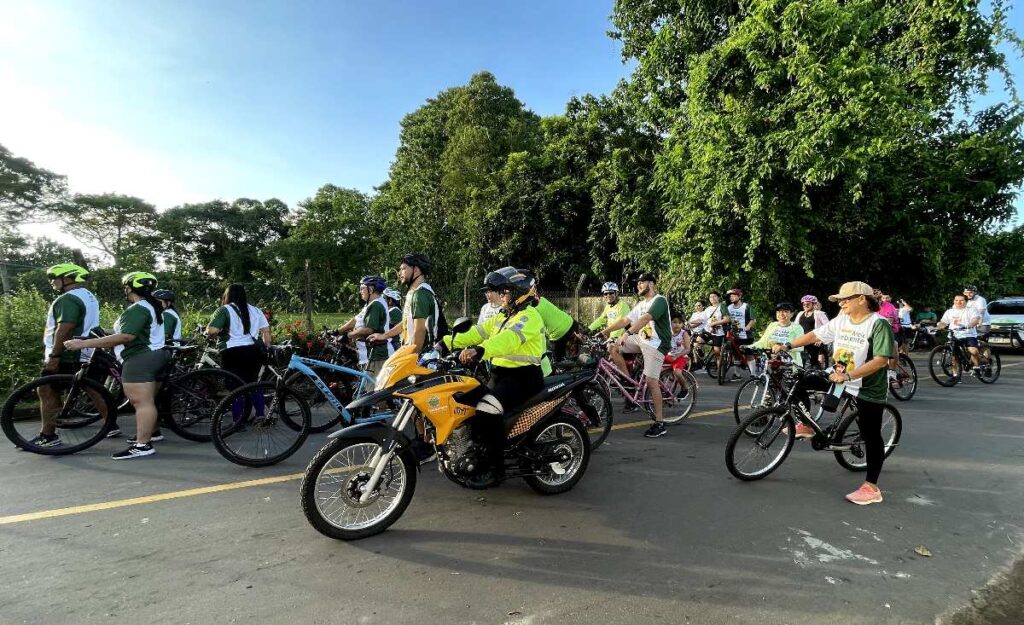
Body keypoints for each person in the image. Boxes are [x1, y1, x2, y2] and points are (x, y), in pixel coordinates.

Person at [773, 281, 895, 505]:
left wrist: (849, 376)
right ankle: (806, 425)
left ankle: (872, 487)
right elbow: (815, 335)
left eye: (845, 299)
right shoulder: (842, 320)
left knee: (871, 435)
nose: (841, 303)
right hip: (838, 376)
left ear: (862, 299)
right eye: (840, 300)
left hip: (868, 386)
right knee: (802, 381)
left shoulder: (879, 324)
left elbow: (881, 360)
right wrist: (787, 345)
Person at [443, 267, 546, 486]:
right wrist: (443, 343)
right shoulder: (501, 316)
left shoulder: (530, 317)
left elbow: (508, 340)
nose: (501, 296)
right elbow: (477, 332)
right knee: (464, 400)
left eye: (505, 292)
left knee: (487, 409)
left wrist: (480, 351)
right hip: (500, 375)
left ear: (520, 293)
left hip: (524, 378)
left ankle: (496, 466)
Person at [64, 272, 170, 459]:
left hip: (140, 358)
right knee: (148, 401)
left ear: (130, 288)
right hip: (154, 356)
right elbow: (129, 331)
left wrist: (82, 344)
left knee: (141, 402)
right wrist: (104, 333)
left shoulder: (138, 309)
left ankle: (143, 446)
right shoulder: (150, 306)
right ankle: (152, 433)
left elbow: (126, 337)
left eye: (125, 287)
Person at [29, 264, 102, 448]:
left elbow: (65, 328)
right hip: (85, 351)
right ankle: (111, 425)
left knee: (46, 389)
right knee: (92, 389)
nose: (52, 281)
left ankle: (48, 436)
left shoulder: (68, 299)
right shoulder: (88, 296)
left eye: (54, 277)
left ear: (68, 278)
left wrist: (54, 357)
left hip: (67, 353)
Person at [601, 273, 672, 438]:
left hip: (656, 344)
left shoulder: (659, 300)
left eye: (642, 283)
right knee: (613, 348)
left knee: (651, 381)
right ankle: (628, 382)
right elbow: (625, 320)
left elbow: (646, 319)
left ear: (652, 284)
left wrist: (627, 333)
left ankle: (660, 422)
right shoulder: (641, 304)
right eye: (638, 283)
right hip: (642, 340)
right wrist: (604, 331)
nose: (639, 285)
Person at [369, 253, 439, 355]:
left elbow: (420, 330)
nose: (399, 273)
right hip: (412, 350)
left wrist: (410, 359)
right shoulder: (415, 292)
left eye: (403, 269)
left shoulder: (421, 294)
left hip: (422, 355)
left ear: (416, 270)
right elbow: (407, 322)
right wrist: (384, 335)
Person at [206, 283, 271, 385]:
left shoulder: (224, 309)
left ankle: (237, 401)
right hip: (253, 351)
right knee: (251, 385)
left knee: (235, 387)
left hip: (232, 352)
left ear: (227, 295)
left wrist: (209, 335)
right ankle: (257, 401)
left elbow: (213, 331)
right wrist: (267, 348)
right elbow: (267, 334)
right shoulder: (256, 310)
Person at [348, 276, 394, 378]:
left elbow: (369, 329)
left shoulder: (376, 305)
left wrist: (350, 334)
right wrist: (339, 330)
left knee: (374, 389)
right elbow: (356, 320)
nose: (360, 292)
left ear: (371, 289)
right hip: (374, 353)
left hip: (377, 354)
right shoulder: (373, 303)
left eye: (362, 288)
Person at [937, 294, 983, 379]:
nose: (958, 302)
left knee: (974, 351)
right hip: (954, 335)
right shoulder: (949, 311)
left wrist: (969, 325)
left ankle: (976, 367)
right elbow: (943, 322)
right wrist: (939, 325)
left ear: (966, 301)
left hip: (968, 334)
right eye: (956, 300)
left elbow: (975, 320)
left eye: (961, 300)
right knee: (954, 357)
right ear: (953, 301)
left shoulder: (971, 310)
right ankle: (955, 376)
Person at [751, 302, 805, 366]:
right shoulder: (772, 325)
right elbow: (762, 342)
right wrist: (749, 347)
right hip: (770, 362)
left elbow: (801, 347)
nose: (781, 314)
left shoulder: (797, 328)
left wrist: (785, 347)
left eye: (785, 311)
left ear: (792, 314)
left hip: (790, 364)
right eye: (778, 312)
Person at [726, 288, 757, 376]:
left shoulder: (746, 306)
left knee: (749, 354)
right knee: (735, 354)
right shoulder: (729, 307)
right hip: (734, 335)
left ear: (739, 296)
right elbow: (727, 319)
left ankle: (753, 374)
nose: (731, 298)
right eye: (730, 296)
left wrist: (748, 327)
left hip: (746, 335)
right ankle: (737, 374)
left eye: (733, 296)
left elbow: (753, 319)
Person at [795, 295, 829, 368]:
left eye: (808, 304)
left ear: (813, 304)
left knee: (815, 363)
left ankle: (817, 377)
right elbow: (795, 327)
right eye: (804, 304)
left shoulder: (819, 313)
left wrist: (821, 339)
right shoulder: (800, 314)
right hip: (803, 341)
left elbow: (828, 327)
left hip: (814, 341)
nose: (805, 305)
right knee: (801, 362)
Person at [704, 291, 730, 361]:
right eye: (710, 297)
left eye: (714, 296)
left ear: (718, 298)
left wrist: (714, 323)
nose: (712, 298)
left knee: (717, 352)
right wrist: (690, 322)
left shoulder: (722, 306)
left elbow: (727, 319)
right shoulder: (707, 309)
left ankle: (719, 368)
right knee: (697, 343)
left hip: (718, 332)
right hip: (708, 331)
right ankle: (698, 363)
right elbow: (701, 319)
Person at [382, 287, 404, 353]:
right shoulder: (390, 311)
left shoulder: (394, 311)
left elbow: (399, 331)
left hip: (394, 345)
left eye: (384, 298)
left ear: (390, 300)